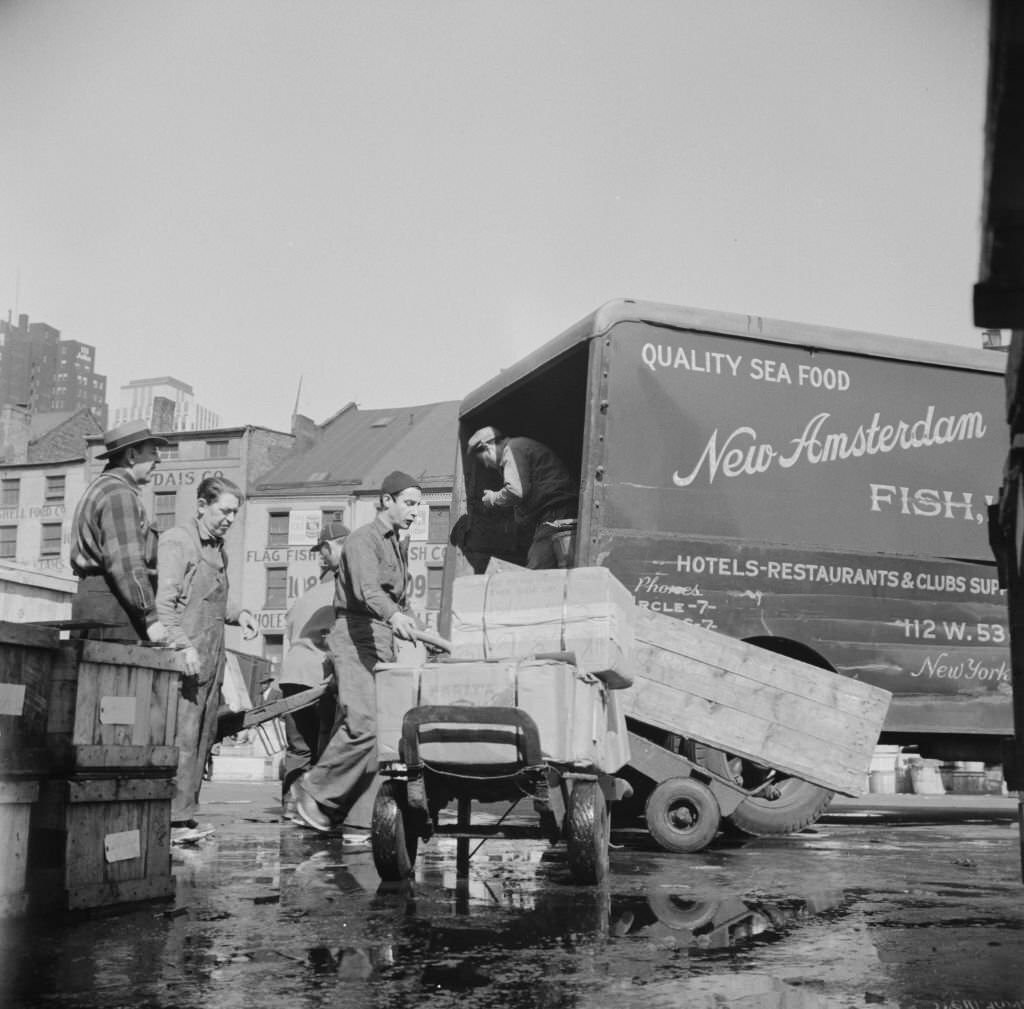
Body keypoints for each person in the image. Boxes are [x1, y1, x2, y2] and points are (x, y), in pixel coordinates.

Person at [292, 470, 422, 835]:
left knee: (383, 732)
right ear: (387, 500)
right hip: (354, 639)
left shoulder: (397, 544)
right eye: (409, 503)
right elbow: (368, 591)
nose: (415, 512)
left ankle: (337, 810)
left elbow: (396, 598)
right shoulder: (363, 540)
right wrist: (395, 615)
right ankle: (312, 791)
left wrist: (408, 621)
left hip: (379, 642)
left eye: (418, 506)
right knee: (364, 724)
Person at [156, 475, 258, 836]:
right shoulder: (177, 542)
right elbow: (163, 607)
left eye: (235, 513)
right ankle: (169, 820)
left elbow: (216, 598)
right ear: (201, 505)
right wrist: (182, 645)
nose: (230, 518)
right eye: (224, 510)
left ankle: (184, 816)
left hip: (213, 659)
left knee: (202, 736)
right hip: (184, 660)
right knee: (181, 739)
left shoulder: (219, 550)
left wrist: (239, 614)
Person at [69, 419, 172, 642]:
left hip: (98, 603)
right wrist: (151, 619)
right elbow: (128, 565)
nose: (158, 459)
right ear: (132, 455)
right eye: (152, 452)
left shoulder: (102, 487)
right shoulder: (119, 495)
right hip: (115, 607)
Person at [278, 515, 350, 821]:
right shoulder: (341, 589)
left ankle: (289, 806)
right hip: (316, 676)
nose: (321, 556)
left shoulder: (308, 595)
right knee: (322, 746)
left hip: (291, 675)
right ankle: (315, 806)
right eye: (321, 549)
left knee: (297, 748)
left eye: (323, 549)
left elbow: (289, 628)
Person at [467, 426, 578, 569]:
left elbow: (515, 491)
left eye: (484, 460)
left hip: (557, 514)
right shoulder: (520, 446)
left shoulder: (512, 449)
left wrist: (493, 498)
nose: (487, 465)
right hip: (559, 513)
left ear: (487, 447)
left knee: (538, 568)